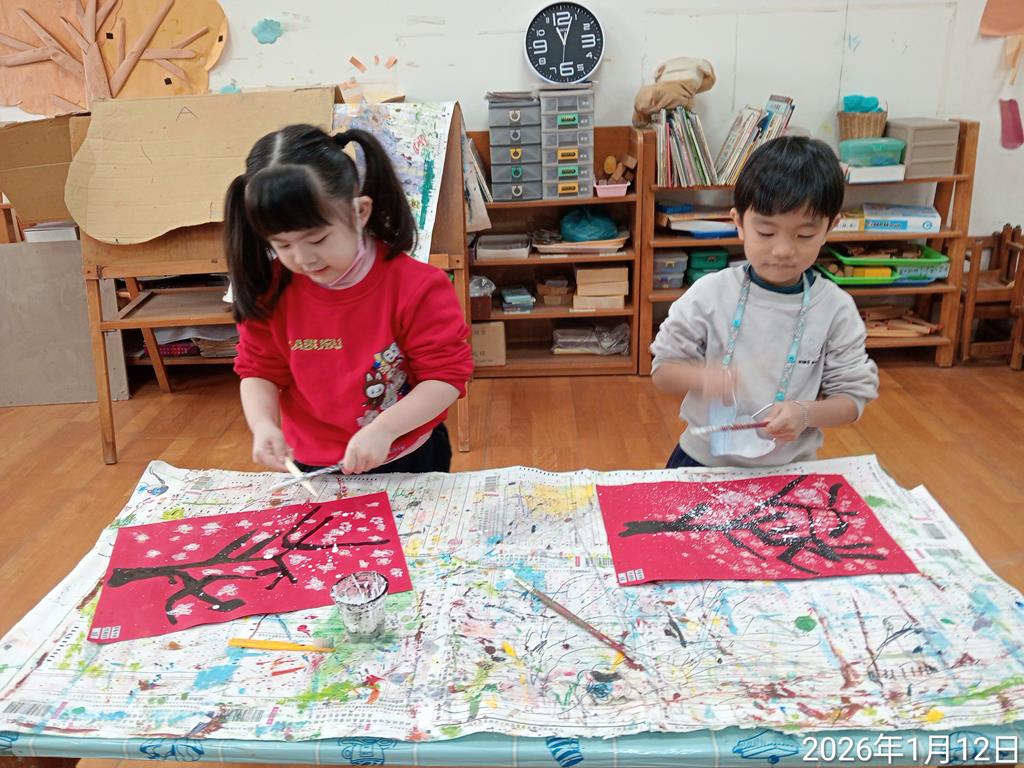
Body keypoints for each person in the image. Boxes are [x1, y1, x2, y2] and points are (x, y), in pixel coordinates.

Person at [225, 124, 472, 475]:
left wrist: (385, 429)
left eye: (317, 239)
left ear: (360, 212)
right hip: (311, 460)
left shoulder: (417, 287)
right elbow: (258, 370)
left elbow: (445, 378)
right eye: (282, 245)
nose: (303, 258)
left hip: (404, 453)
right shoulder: (270, 289)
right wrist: (263, 424)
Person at [650, 136, 879, 468]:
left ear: (831, 227)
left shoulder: (835, 309)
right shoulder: (709, 294)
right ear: (739, 223)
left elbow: (852, 399)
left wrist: (805, 413)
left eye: (804, 235)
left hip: (787, 469)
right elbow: (662, 372)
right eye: (766, 233)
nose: (783, 250)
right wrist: (703, 378)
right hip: (702, 461)